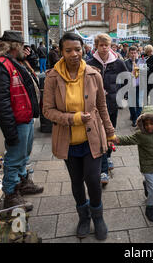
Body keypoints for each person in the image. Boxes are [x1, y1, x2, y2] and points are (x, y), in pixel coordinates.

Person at [42, 32, 116, 240]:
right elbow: (47, 111)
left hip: (92, 139)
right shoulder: (52, 78)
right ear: (61, 52)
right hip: (68, 141)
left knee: (93, 180)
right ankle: (83, 218)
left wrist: (110, 133)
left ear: (83, 49)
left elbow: (102, 107)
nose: (74, 54)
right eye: (68, 50)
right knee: (76, 182)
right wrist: (73, 118)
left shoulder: (94, 74)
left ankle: (98, 217)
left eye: (78, 49)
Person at [0, 30, 43, 211]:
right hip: (16, 122)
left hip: (24, 118)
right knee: (14, 158)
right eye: (22, 46)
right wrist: (9, 131)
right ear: (14, 46)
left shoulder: (13, 62)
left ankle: (23, 182)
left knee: (23, 156)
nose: (25, 49)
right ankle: (11, 195)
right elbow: (0, 101)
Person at [86, 33, 127, 186]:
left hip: (112, 103)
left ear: (110, 46)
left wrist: (120, 94)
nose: (104, 48)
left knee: (111, 131)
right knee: (100, 135)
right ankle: (103, 170)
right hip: (95, 107)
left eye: (106, 45)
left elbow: (126, 80)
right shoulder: (89, 62)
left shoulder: (118, 63)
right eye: (101, 45)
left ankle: (108, 156)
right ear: (96, 46)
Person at [124, 46, 143, 126]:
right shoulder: (125, 62)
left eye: (134, 53)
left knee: (139, 103)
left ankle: (137, 119)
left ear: (137, 53)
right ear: (129, 53)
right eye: (131, 53)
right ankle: (134, 117)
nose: (133, 55)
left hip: (139, 84)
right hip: (130, 85)